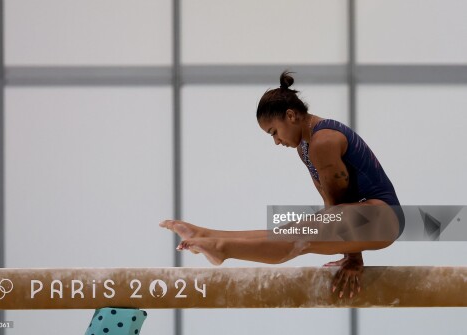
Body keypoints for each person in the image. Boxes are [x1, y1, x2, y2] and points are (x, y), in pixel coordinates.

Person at [160, 71, 405, 298]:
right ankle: (207, 235)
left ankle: (223, 248)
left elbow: (341, 201)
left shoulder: (324, 141)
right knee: (291, 231)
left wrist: (353, 256)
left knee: (298, 237)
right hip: (366, 216)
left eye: (274, 132)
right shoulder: (306, 147)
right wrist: (350, 249)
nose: (277, 141)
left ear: (290, 115)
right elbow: (331, 201)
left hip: (382, 217)